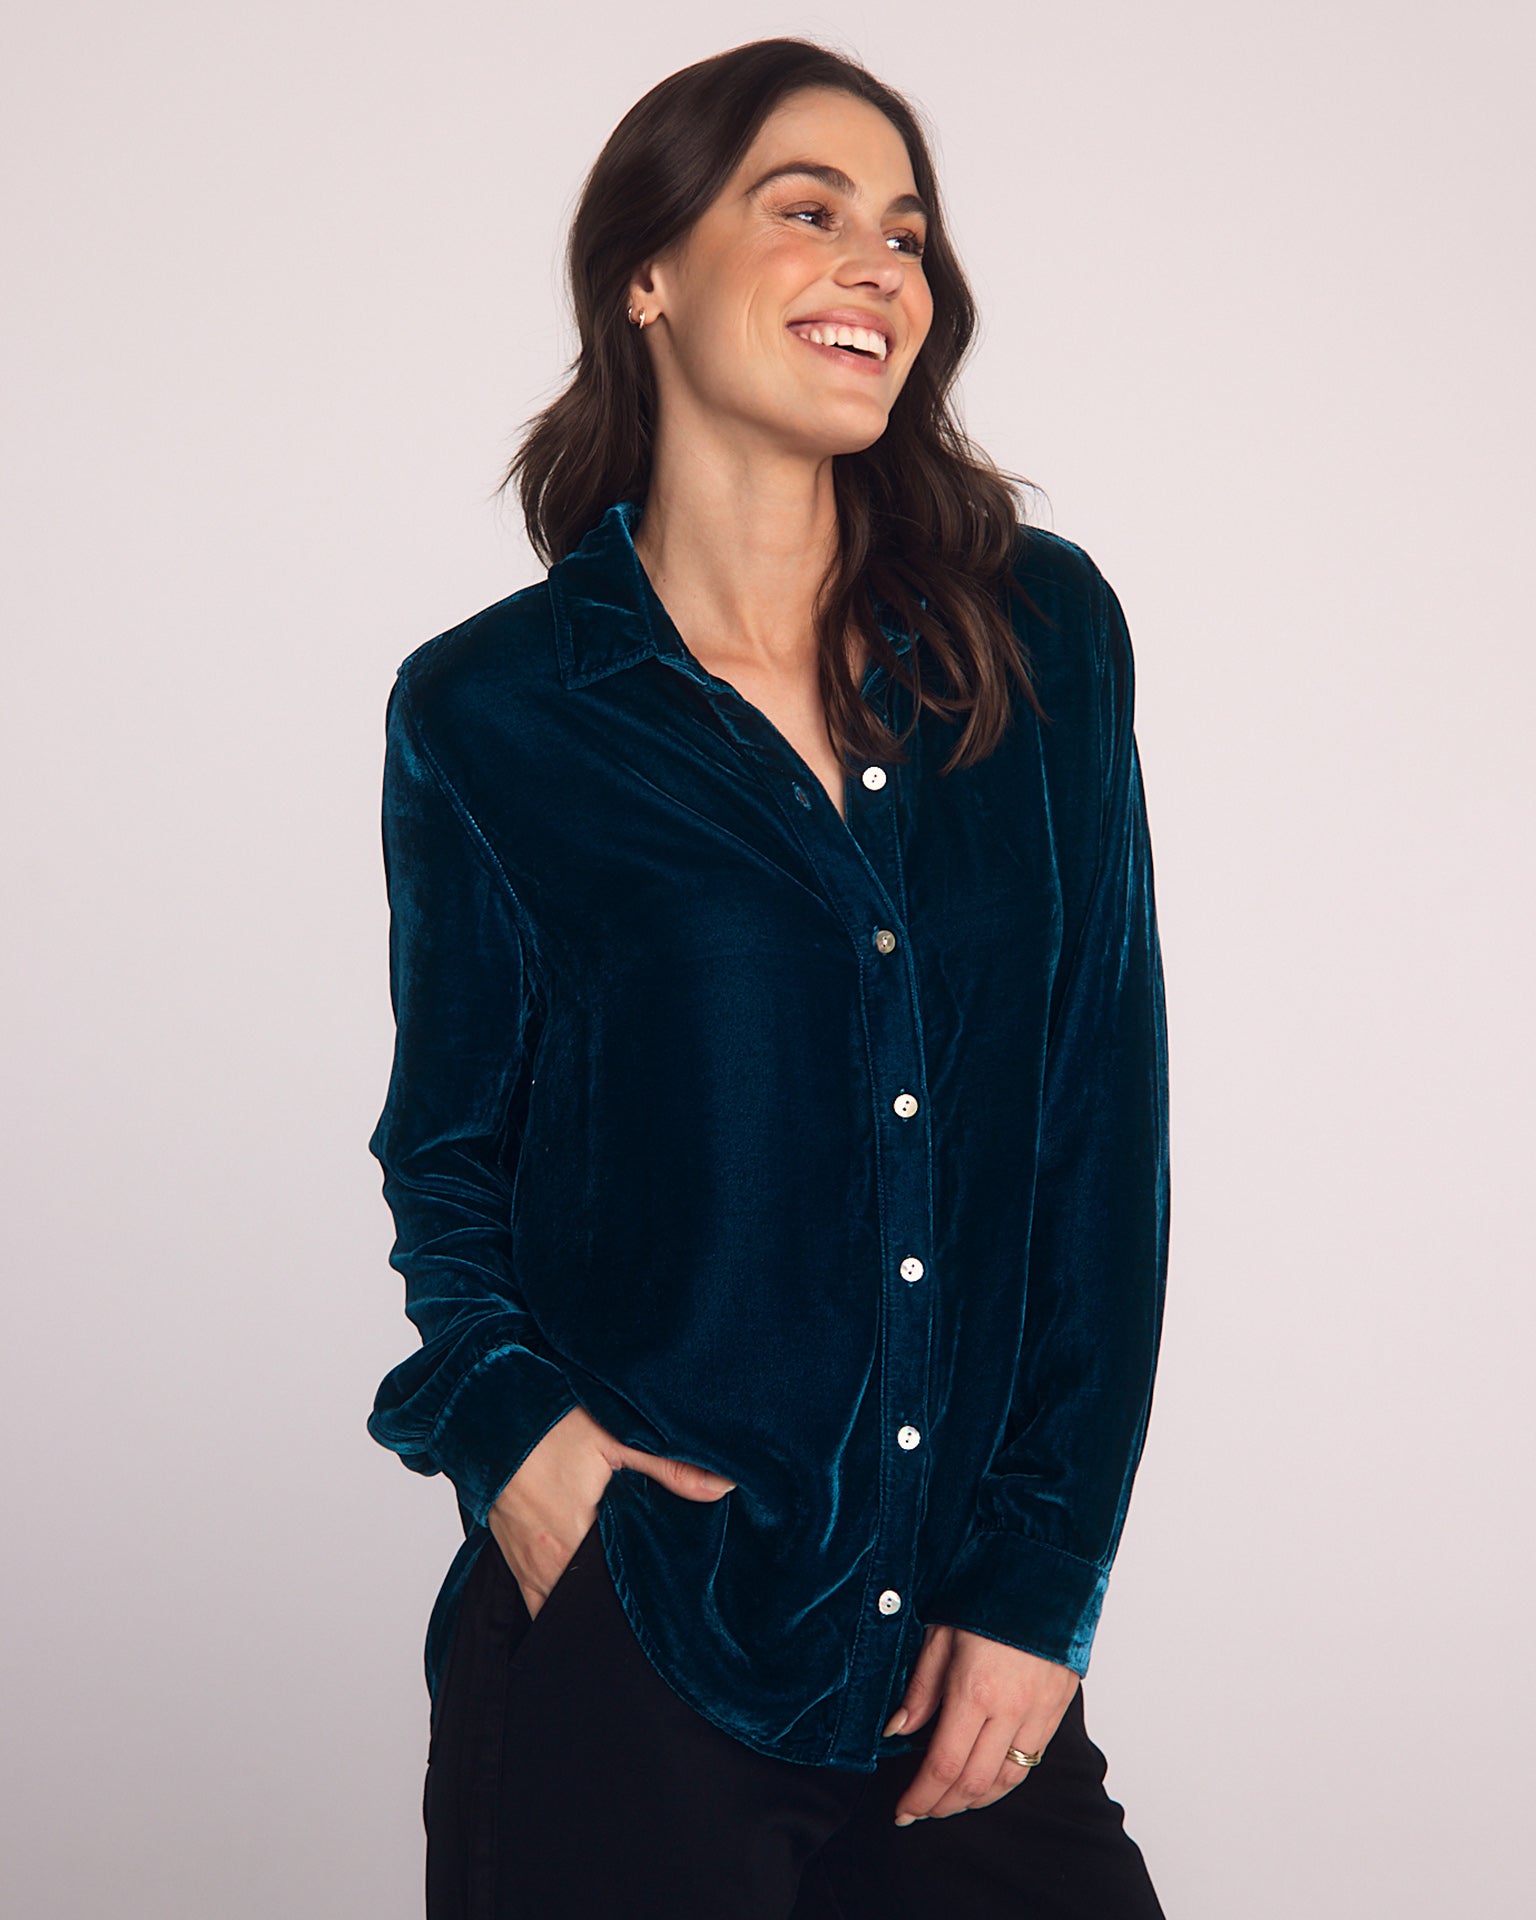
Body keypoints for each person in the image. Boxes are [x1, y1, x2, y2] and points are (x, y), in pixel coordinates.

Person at [366, 35, 1171, 1920]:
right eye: (806, 210)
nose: (879, 264)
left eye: (906, 231)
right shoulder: (491, 710)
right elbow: (448, 1152)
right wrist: (521, 1451)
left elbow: (1097, 1135)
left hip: (960, 1679)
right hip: (633, 1644)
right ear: (646, 272)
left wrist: (1040, 1592)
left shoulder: (1039, 636)